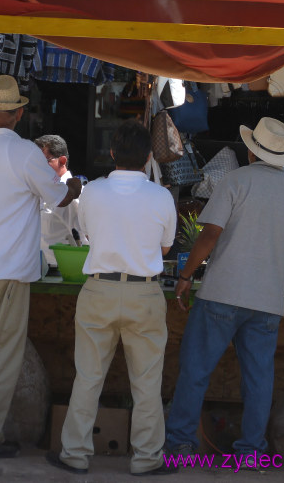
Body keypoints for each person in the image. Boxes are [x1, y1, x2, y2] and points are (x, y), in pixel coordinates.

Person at [165, 117, 284, 460]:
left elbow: (209, 235)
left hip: (222, 293)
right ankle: (251, 451)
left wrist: (186, 275)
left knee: (195, 372)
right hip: (267, 301)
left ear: (252, 152)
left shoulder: (235, 181)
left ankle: (179, 444)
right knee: (258, 380)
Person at [0, 75, 82, 458]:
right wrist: (73, 188)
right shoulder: (22, 151)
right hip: (3, 268)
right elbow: (58, 196)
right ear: (19, 113)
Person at [46, 120, 177, 476]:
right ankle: (147, 459)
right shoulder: (161, 196)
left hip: (99, 289)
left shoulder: (92, 193)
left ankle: (74, 454)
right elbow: (166, 246)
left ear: (112, 154)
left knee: (88, 376)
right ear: (149, 157)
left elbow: (87, 234)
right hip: (145, 292)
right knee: (147, 382)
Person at [34, 135, 86, 269]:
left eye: (43, 162)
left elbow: (84, 240)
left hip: (62, 272)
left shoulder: (78, 197)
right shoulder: (36, 190)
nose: (37, 168)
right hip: (36, 272)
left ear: (62, 161)